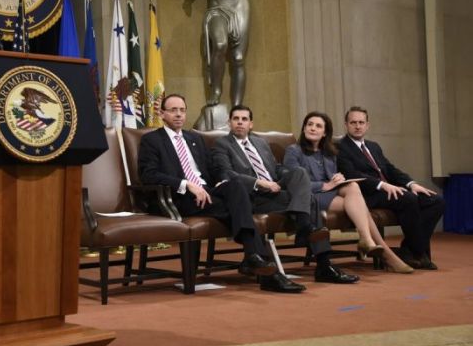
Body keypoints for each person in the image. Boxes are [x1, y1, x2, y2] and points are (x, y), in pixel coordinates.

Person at [138, 94, 285, 292]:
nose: (179, 115)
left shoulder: (194, 138)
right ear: (162, 113)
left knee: (236, 186)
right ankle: (257, 260)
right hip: (177, 197)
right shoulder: (152, 140)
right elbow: (148, 175)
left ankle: (254, 258)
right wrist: (186, 184)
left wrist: (222, 181)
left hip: (207, 192)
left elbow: (213, 169)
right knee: (240, 207)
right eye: (173, 110)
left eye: (182, 110)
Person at [211, 105, 360, 287]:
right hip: (251, 196)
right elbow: (227, 174)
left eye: (244, 119)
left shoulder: (260, 143)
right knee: (310, 200)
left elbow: (275, 169)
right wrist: (260, 183)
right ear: (229, 123)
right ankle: (318, 254)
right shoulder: (222, 144)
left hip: (273, 190)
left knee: (299, 174)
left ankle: (319, 256)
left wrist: (288, 175)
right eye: (236, 119)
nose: (240, 122)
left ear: (251, 124)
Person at [284, 112, 413, 273]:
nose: (313, 128)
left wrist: (338, 178)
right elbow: (292, 182)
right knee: (361, 209)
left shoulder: (329, 153)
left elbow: (331, 179)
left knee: (352, 186)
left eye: (318, 126)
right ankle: (381, 250)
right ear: (303, 128)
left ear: (325, 133)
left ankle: (368, 241)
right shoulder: (293, 151)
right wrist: (325, 185)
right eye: (309, 124)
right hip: (309, 197)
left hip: (329, 193)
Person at [337, 106, 445, 270]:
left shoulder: (373, 146)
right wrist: (382, 185)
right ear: (346, 125)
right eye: (353, 122)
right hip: (367, 194)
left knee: (436, 200)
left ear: (368, 125)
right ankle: (418, 253)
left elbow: (390, 169)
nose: (357, 126)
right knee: (408, 199)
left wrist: (411, 184)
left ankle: (409, 251)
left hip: (389, 191)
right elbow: (351, 174)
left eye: (361, 122)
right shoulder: (340, 147)